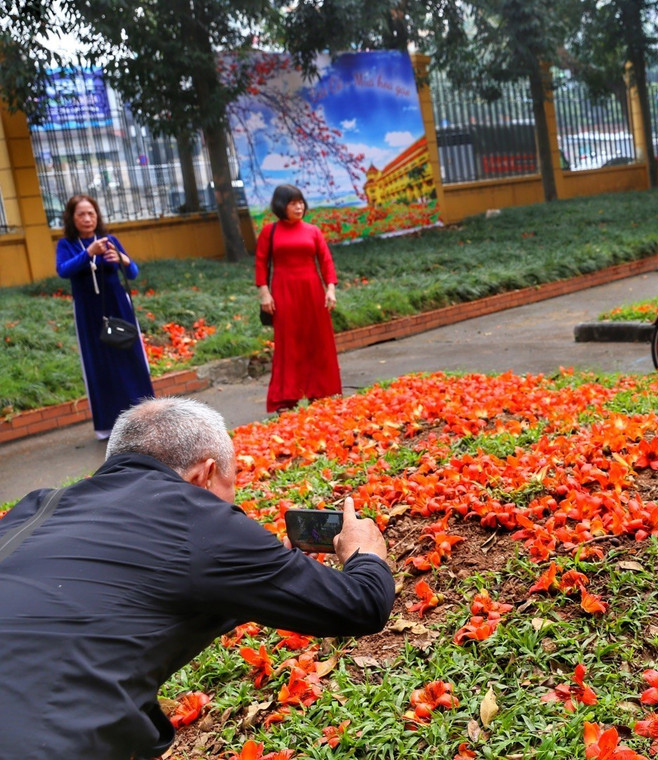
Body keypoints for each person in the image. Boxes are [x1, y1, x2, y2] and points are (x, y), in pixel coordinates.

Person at [0, 397, 394, 760]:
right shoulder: (198, 517)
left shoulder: (37, 507)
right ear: (204, 475)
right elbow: (361, 604)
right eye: (230, 488)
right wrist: (365, 553)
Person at [56, 194, 154, 439]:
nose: (87, 218)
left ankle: (145, 418)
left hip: (118, 307)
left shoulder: (110, 240)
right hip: (90, 314)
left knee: (130, 360)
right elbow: (63, 270)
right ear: (72, 217)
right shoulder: (66, 245)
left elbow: (132, 272)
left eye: (91, 213)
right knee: (100, 365)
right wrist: (88, 253)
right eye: (81, 214)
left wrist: (123, 259)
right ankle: (109, 426)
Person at [256, 184, 341, 413]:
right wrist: (264, 293)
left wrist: (330, 289)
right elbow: (261, 264)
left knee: (319, 341)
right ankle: (285, 399)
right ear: (281, 206)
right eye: (293, 203)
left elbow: (326, 261)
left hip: (313, 291)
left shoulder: (313, 231)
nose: (299, 206)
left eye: (301, 202)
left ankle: (321, 394)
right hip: (283, 293)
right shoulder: (269, 232)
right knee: (288, 343)